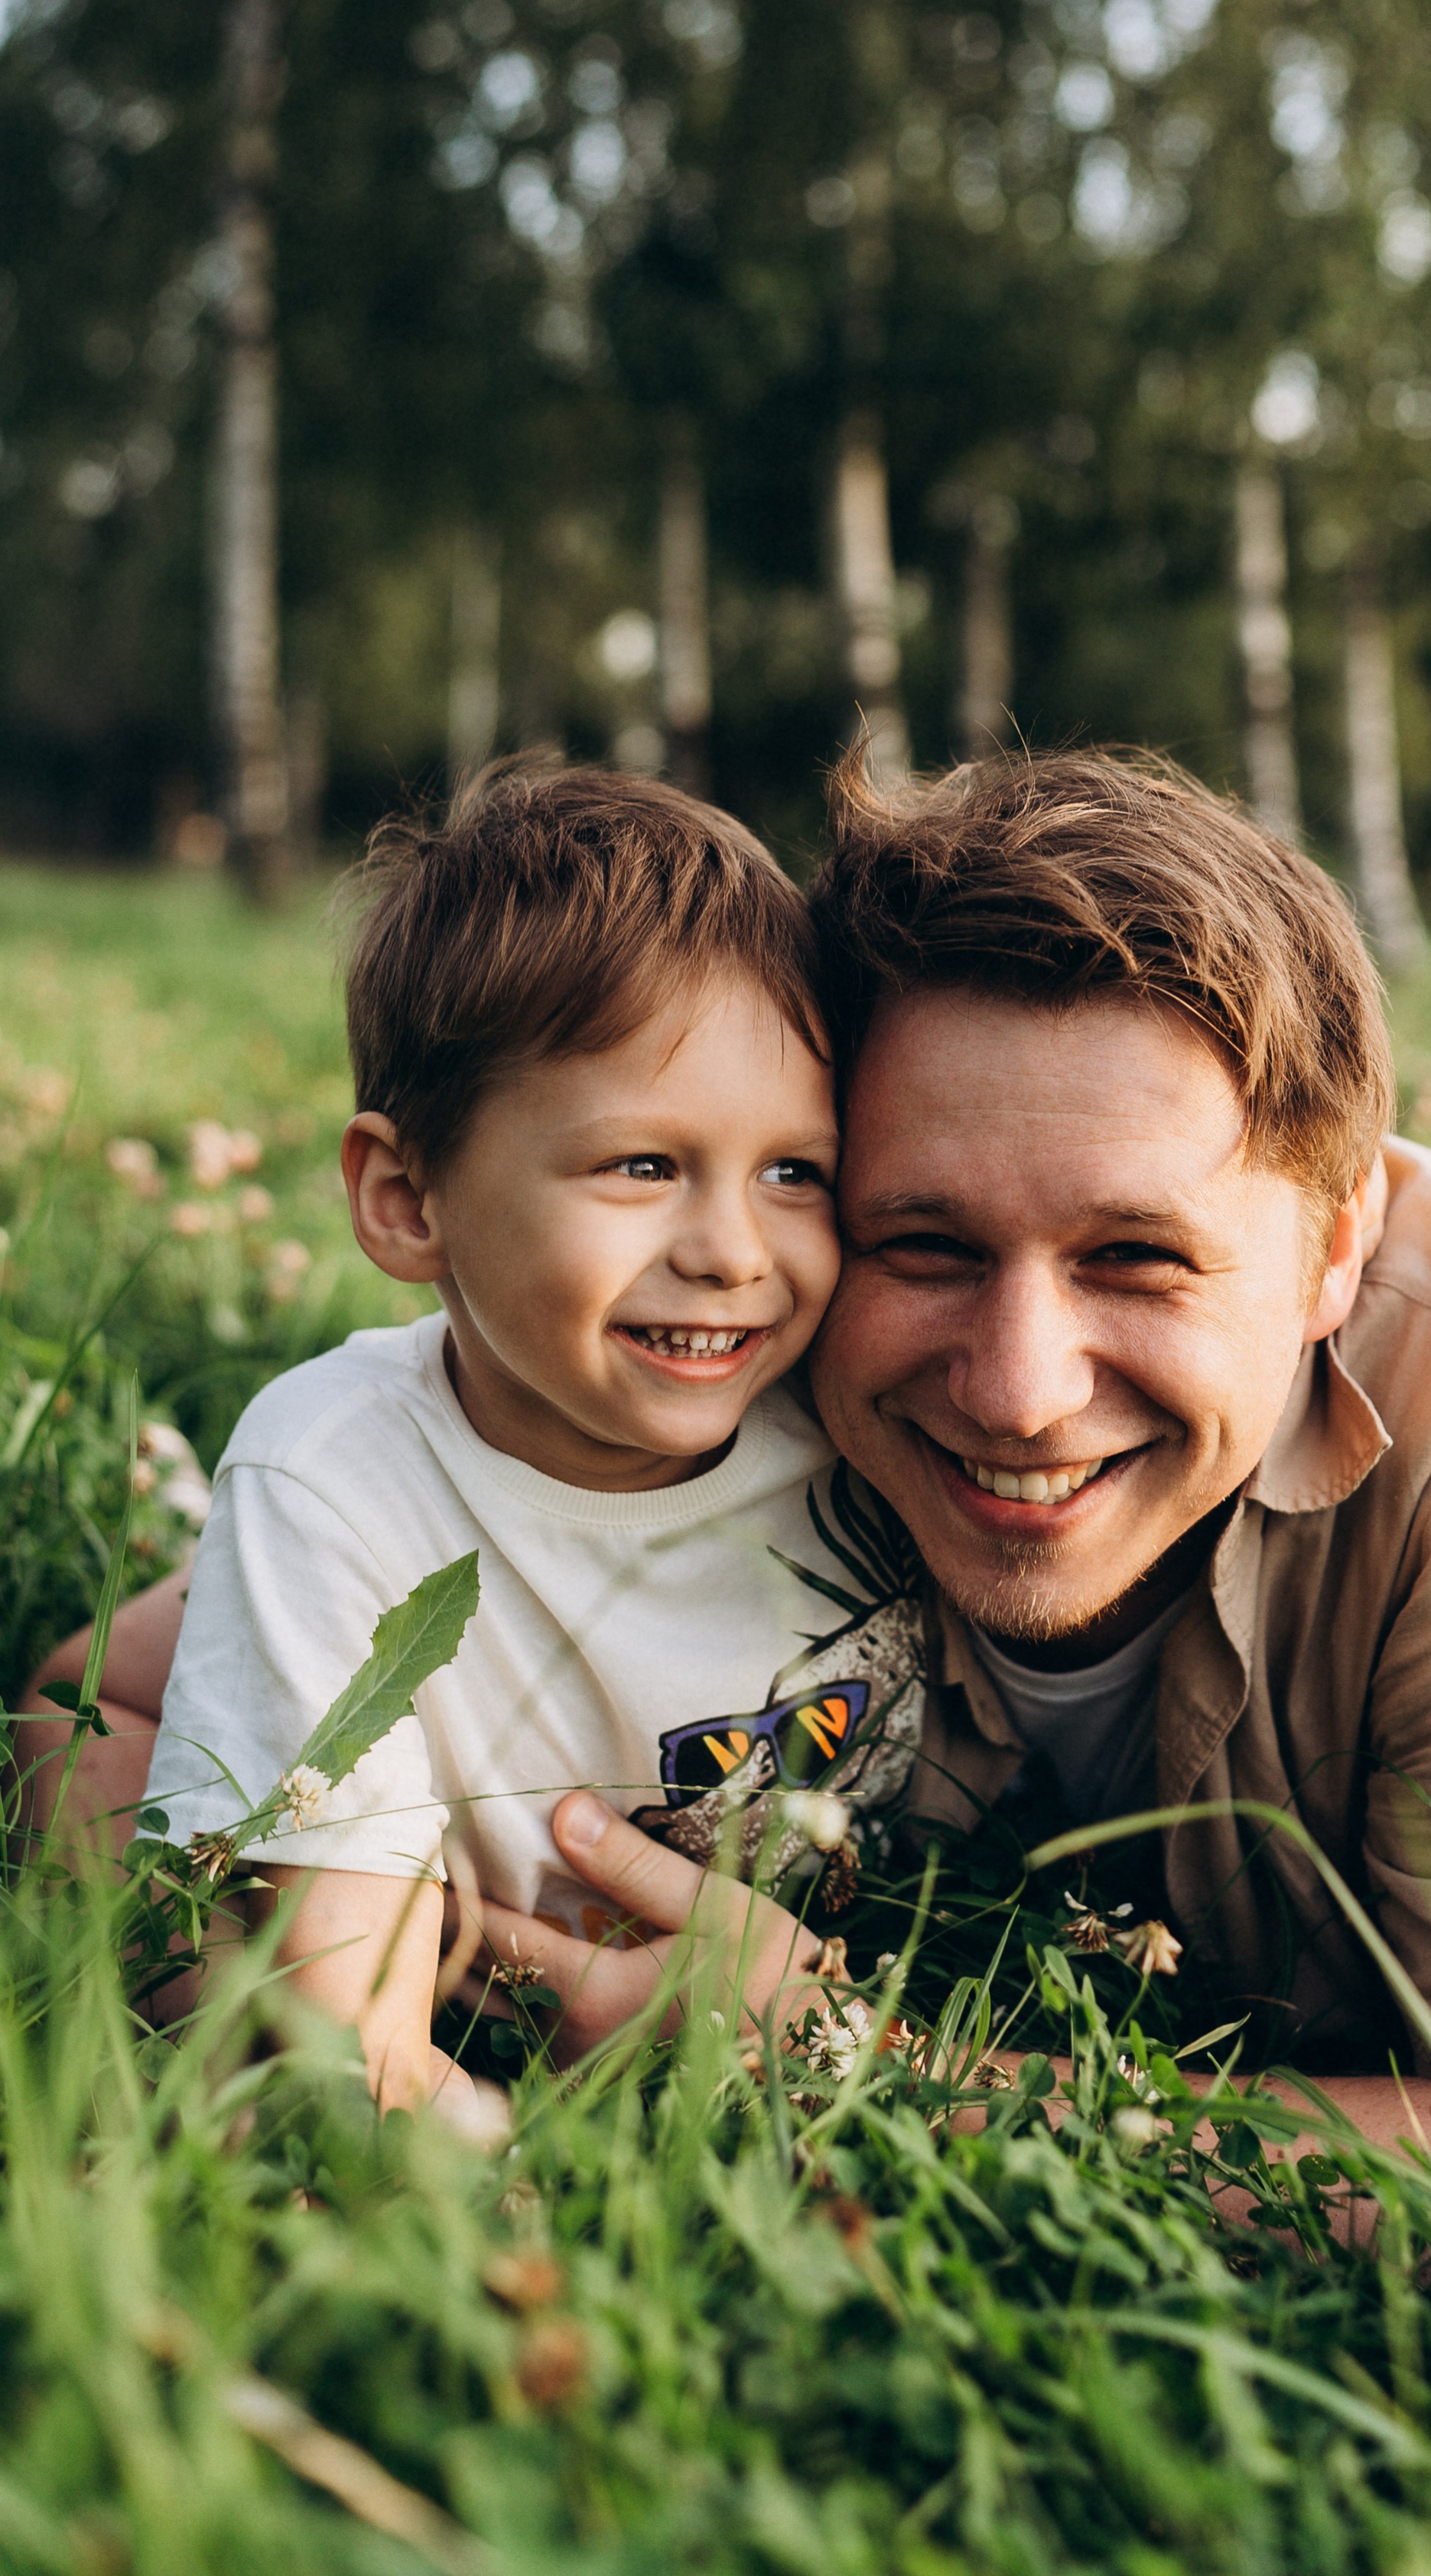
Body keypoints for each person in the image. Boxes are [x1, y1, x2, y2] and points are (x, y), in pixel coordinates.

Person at [437, 751, 1431, 2183]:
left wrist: (834, 2061)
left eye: (1135, 1259)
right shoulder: (739, 1305)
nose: (1017, 1392)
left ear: (1338, 1247)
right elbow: (270, 1604)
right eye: (926, 1244)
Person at [39, 766, 922, 2109]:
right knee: (129, 1837)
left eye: (795, 1171)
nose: (736, 1252)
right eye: (642, 1165)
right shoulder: (336, 1468)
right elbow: (356, 2028)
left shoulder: (854, 1410)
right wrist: (459, 2149)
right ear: (407, 1202)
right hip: (427, 1912)